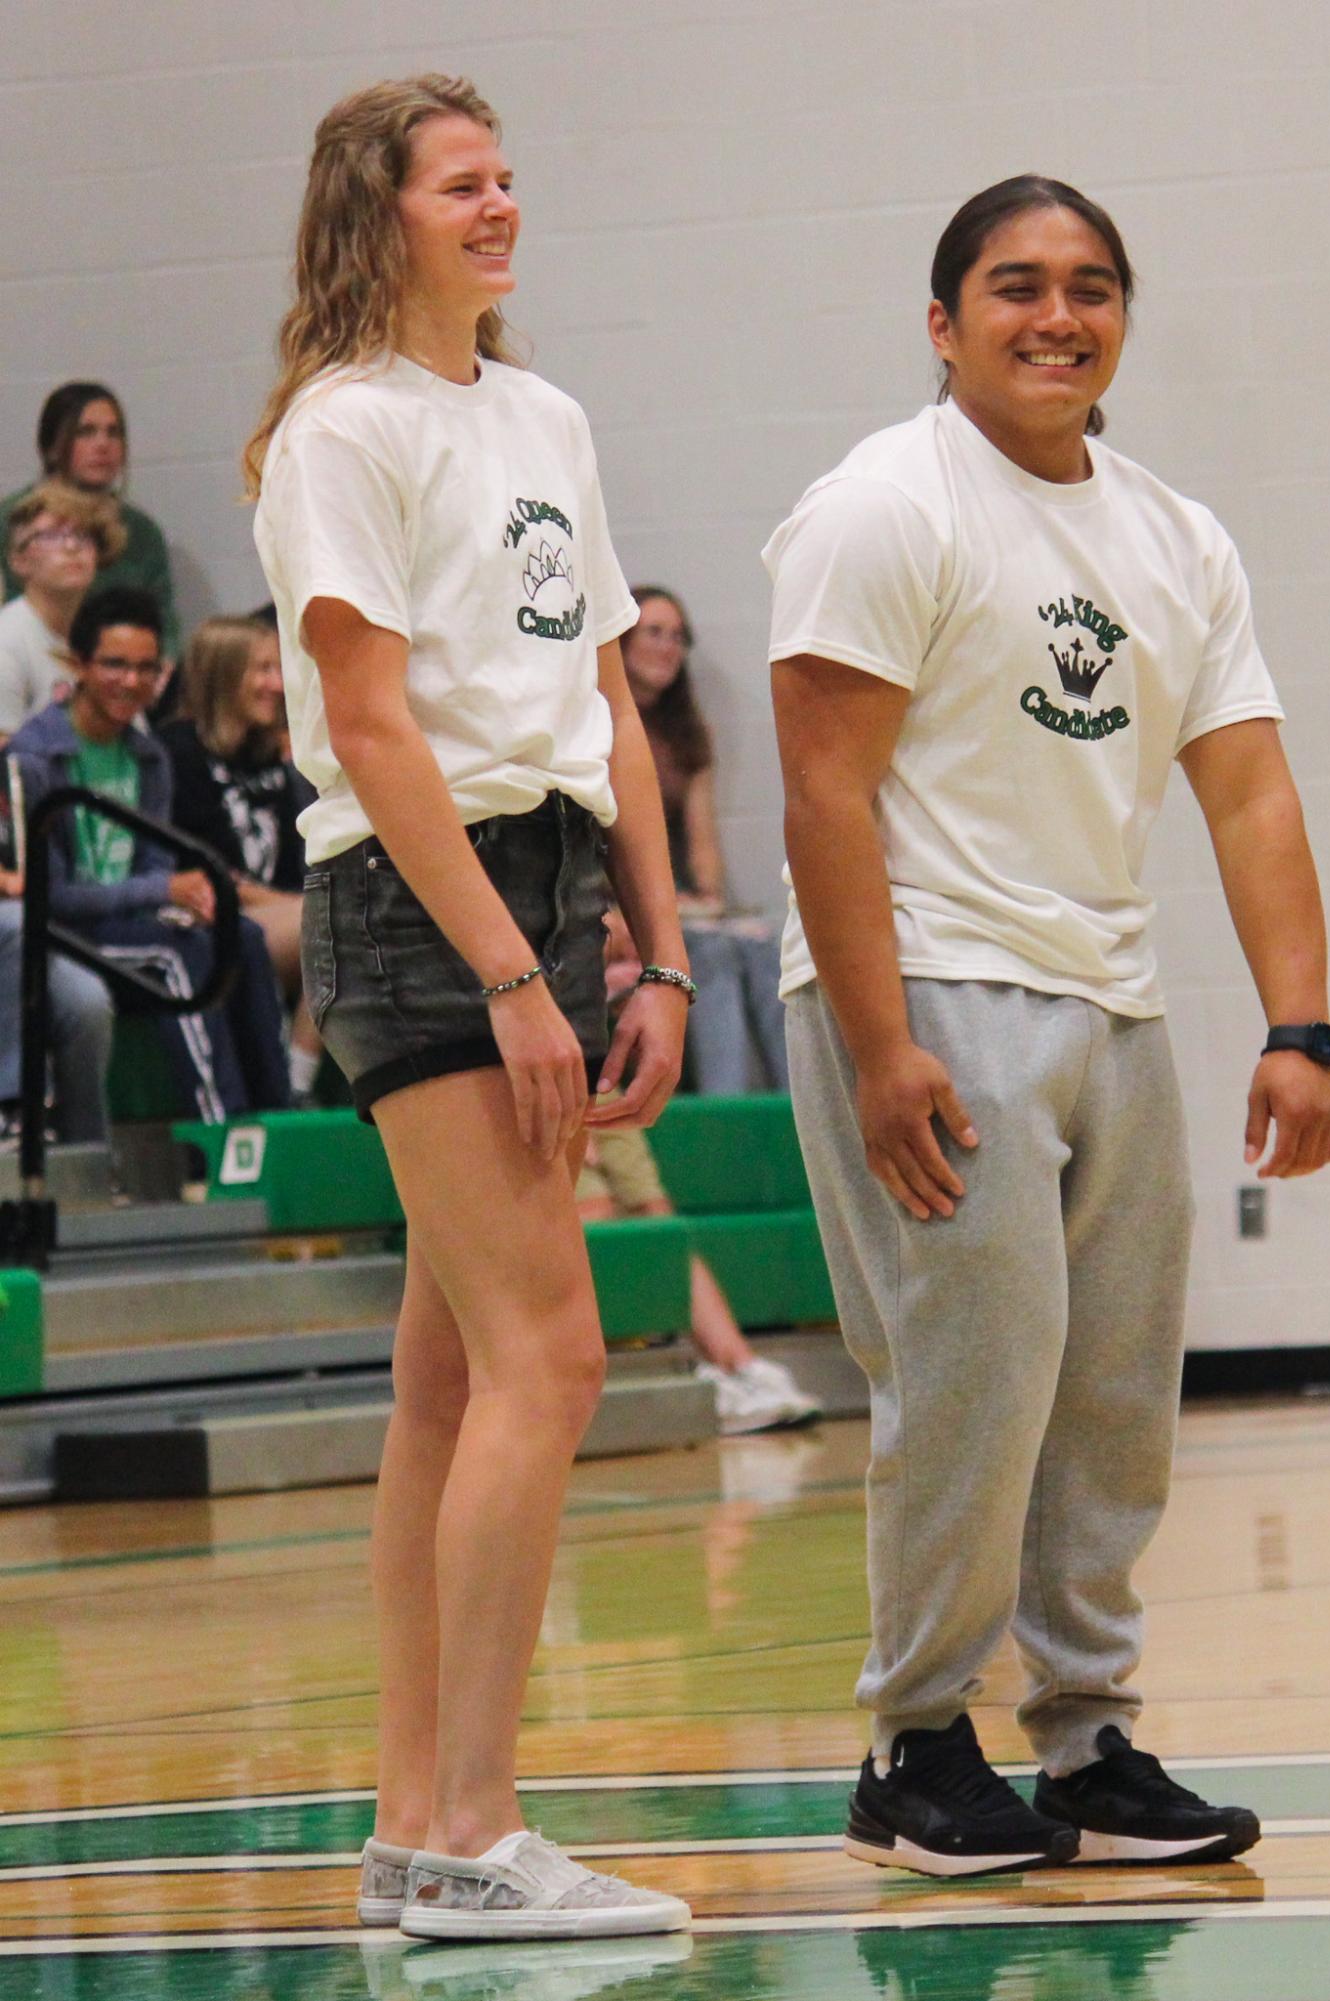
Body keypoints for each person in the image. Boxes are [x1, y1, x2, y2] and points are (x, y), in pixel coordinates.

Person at [766, 175, 1330, 1878]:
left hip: (1115, 1004)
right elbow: (821, 794)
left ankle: (1086, 1743)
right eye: (1014, 286)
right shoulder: (882, 505)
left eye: (1091, 285)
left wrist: (1303, 1028)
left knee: (1106, 1395)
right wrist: (880, 1046)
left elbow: (1247, 794)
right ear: (942, 325)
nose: (1057, 315)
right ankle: (915, 1741)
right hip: (932, 986)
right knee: (970, 1379)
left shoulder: (1177, 535)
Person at [245, 75, 693, 1942]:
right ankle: (482, 1834)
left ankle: (415, 1821)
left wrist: (651, 954)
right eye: (462, 186)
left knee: (449, 1386)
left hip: (554, 885)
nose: (500, 209)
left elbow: (609, 707)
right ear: (381, 211)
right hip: (417, 904)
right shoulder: (339, 434)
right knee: (553, 1361)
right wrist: (511, 978)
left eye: (510, 179)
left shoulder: (546, 416)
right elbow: (371, 726)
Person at [10, 587, 290, 1124]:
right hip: (66, 934)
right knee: (175, 956)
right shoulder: (36, 757)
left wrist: (179, 897)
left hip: (129, 923)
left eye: (145, 668)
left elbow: (152, 866)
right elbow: (51, 897)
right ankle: (221, 1132)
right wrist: (161, 891)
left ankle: (278, 1122)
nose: (132, 682)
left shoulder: (149, 755)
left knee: (245, 937)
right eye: (115, 665)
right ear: (78, 665)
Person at [576, 906, 820, 1434]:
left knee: (658, 1219)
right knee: (594, 1208)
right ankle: (656, 1371)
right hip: (522, 1072)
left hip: (592, 1068)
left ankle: (737, 1365)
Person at [624, 586, 788, 1093]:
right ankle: (726, 1109)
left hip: (677, 908)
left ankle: (792, 1113)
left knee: (764, 945)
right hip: (615, 913)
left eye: (678, 636)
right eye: (653, 632)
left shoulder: (688, 734)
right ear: (621, 641)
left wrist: (709, 898)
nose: (668, 646)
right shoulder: (594, 730)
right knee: (711, 956)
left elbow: (703, 841)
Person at [162, 616, 323, 1103]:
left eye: (279, 668)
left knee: (348, 921)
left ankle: (298, 1078)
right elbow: (205, 876)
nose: (277, 684)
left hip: (282, 914)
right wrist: (295, 902)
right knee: (332, 918)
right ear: (223, 672)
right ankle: (290, 1090)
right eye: (262, 669)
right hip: (210, 919)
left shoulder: (272, 758)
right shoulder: (177, 754)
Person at [0, 383, 179, 653]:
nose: (102, 444)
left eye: (113, 432)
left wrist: (163, 667)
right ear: (51, 446)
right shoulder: (14, 518)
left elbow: (166, 628)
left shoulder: (142, 531)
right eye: (85, 432)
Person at [0, 755, 115, 1145]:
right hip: (12, 923)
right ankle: (15, 1108)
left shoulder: (13, 767)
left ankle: (89, 1155)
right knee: (18, 922)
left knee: (87, 1002)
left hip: (16, 928)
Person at [0, 481, 125, 741]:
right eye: (51, 536)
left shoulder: (104, 636)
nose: (71, 547)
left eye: (82, 535)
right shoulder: (7, 640)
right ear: (19, 560)